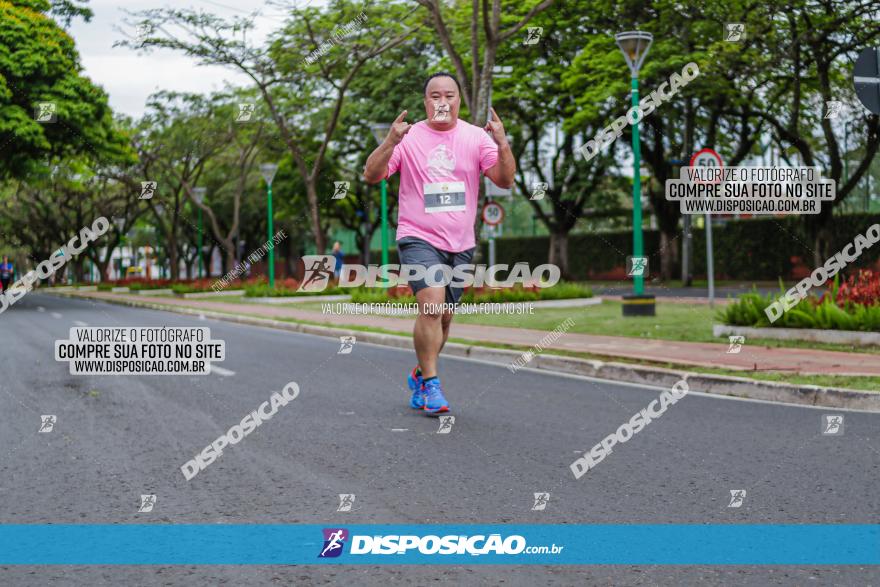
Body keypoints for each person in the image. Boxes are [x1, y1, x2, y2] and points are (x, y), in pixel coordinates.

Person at [363, 72, 515, 415]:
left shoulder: (477, 138)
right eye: (434, 96)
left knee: (444, 316)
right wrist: (389, 141)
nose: (442, 101)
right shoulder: (410, 137)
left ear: (459, 100)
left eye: (449, 95)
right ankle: (432, 385)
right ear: (425, 102)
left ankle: (419, 372)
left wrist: (503, 143)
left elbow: (505, 180)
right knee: (431, 306)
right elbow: (371, 175)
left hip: (460, 243)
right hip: (417, 237)